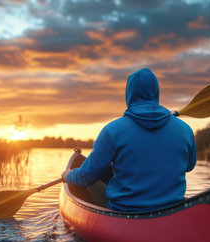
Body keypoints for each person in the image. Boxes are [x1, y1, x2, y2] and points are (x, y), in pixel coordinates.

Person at [61, 68, 197, 212]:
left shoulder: (112, 131)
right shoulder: (185, 130)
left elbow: (86, 177)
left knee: (86, 180)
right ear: (156, 92)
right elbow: (189, 166)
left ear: (129, 94)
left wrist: (68, 175)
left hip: (124, 212)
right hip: (171, 212)